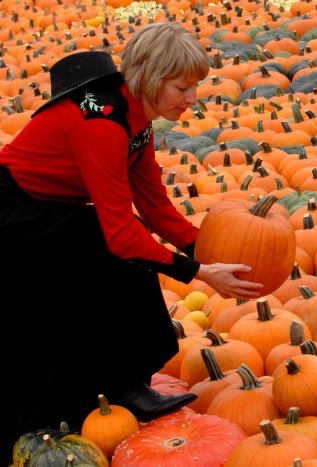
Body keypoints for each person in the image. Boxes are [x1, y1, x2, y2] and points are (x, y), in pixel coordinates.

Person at [0, 21, 263, 462]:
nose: (193, 100)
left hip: (52, 210)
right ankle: (51, 421)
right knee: (60, 306)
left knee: (122, 269)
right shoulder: (101, 124)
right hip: (14, 213)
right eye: (184, 87)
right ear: (151, 79)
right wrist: (197, 273)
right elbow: (122, 234)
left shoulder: (138, 122)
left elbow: (156, 208)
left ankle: (123, 384)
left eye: (197, 87)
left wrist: (211, 252)